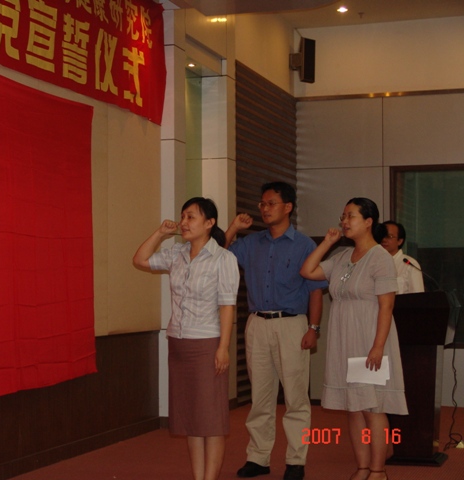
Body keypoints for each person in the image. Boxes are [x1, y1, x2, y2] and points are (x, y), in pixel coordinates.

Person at [300, 198, 408, 480]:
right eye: (343, 216)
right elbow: (307, 271)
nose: (344, 221)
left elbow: (386, 306)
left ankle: (378, 470)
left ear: (369, 222)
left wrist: (378, 347)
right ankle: (362, 468)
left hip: (369, 339)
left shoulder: (380, 257)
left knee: (372, 408)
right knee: (353, 408)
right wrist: (327, 243)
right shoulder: (342, 256)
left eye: (351, 216)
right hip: (344, 339)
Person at [224, 182, 327, 480]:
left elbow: (316, 291)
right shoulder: (251, 243)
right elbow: (217, 256)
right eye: (262, 204)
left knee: (296, 397)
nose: (264, 209)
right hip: (257, 323)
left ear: (288, 207)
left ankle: (296, 460)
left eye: (271, 203)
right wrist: (233, 227)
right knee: (260, 396)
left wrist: (313, 328)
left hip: (292, 324)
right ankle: (258, 458)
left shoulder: (304, 245)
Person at [133, 197, 240, 480]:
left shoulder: (223, 258)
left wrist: (223, 348)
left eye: (191, 217)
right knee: (192, 419)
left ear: (209, 223)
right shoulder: (176, 254)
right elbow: (140, 260)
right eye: (183, 216)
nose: (184, 223)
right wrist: (160, 233)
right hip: (179, 343)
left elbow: (227, 306)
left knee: (211, 420)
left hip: (207, 343)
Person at [380, 221, 424, 294]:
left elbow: (418, 298)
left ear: (399, 241)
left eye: (389, 236)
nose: (383, 239)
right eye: (381, 236)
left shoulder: (409, 264)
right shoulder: (372, 262)